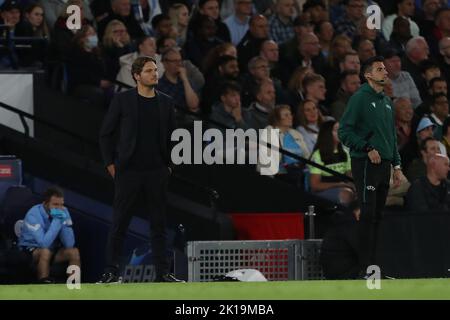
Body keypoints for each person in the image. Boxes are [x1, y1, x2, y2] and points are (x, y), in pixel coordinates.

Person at [98, 56, 183, 283]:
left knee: (159, 225)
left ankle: (163, 274)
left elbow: (174, 138)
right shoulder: (122, 100)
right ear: (136, 75)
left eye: (155, 70)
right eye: (148, 71)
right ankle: (110, 271)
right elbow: (106, 134)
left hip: (157, 172)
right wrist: (110, 165)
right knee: (119, 223)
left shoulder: (166, 102)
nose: (154, 74)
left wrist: (170, 167)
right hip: (128, 172)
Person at [338, 56, 405, 278]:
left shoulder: (386, 101)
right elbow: (344, 132)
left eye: (384, 69)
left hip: (384, 165)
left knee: (377, 216)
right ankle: (364, 268)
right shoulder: (359, 99)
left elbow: (391, 138)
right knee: (367, 215)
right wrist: (367, 148)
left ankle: (373, 269)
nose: (385, 73)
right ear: (368, 75)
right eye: (379, 69)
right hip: (366, 163)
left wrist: (396, 165)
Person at [18, 186, 80, 284]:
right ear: (45, 204)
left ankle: (74, 287)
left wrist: (64, 221)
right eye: (55, 205)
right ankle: (44, 289)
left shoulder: (63, 212)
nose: (59, 208)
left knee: (74, 252)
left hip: (52, 249)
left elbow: (69, 244)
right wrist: (57, 220)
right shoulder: (33, 215)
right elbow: (44, 244)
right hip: (31, 250)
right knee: (45, 252)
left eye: (61, 205)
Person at [309, 120, 353, 203]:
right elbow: (315, 185)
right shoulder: (318, 155)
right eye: (337, 130)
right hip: (324, 191)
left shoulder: (345, 152)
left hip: (344, 187)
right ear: (328, 134)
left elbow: (349, 175)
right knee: (346, 194)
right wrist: (339, 185)